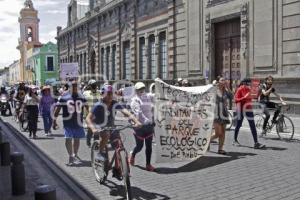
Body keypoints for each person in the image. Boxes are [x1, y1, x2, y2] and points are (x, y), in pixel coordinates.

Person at [86, 84, 142, 179]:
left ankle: (118, 168)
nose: (110, 96)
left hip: (112, 127)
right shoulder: (98, 105)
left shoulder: (114, 103)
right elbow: (88, 118)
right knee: (106, 134)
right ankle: (99, 154)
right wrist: (93, 129)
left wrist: (136, 121)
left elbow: (126, 112)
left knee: (119, 145)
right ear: (103, 94)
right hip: (101, 128)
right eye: (108, 94)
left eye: (111, 94)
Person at [52, 81, 88, 165]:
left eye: (76, 86)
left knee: (76, 139)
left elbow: (87, 106)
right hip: (67, 122)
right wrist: (54, 121)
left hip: (78, 122)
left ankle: (74, 154)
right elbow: (57, 109)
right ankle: (71, 155)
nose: (75, 87)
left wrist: (88, 116)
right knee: (67, 139)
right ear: (69, 87)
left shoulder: (81, 96)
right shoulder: (64, 97)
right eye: (73, 86)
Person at [128, 82, 156, 171]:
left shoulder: (147, 96)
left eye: (143, 89)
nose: (142, 91)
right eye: (140, 89)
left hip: (149, 126)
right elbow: (139, 113)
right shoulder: (135, 100)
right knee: (139, 147)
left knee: (149, 146)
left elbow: (156, 95)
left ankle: (148, 164)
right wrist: (147, 121)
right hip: (140, 127)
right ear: (136, 90)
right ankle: (133, 154)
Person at [233, 78, 266, 149]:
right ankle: (235, 140)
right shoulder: (240, 89)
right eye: (249, 83)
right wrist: (244, 97)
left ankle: (256, 143)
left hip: (248, 109)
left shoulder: (249, 89)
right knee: (238, 125)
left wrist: (260, 90)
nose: (250, 85)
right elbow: (235, 100)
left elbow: (256, 96)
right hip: (240, 109)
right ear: (245, 83)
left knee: (252, 126)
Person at [210, 76, 232, 155]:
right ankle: (208, 141)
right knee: (218, 133)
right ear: (219, 82)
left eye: (224, 80)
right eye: (222, 80)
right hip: (216, 113)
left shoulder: (226, 91)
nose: (224, 81)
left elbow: (232, 97)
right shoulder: (214, 90)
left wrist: (228, 87)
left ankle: (220, 149)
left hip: (224, 113)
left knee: (223, 133)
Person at [83, 79, 101, 147]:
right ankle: (88, 141)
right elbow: (83, 103)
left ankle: (96, 144)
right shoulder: (85, 93)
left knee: (97, 129)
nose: (94, 86)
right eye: (92, 85)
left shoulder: (99, 93)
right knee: (90, 129)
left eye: (95, 84)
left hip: (97, 114)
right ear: (89, 86)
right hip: (88, 114)